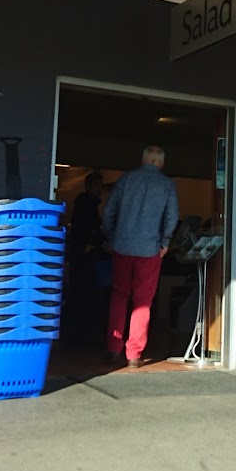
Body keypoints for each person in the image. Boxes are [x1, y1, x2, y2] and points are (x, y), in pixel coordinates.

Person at [102, 145, 179, 368]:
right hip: (150, 250)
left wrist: (110, 237)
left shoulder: (126, 179)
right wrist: (165, 242)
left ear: (143, 160)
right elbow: (172, 217)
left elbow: (109, 212)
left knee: (119, 296)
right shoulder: (167, 184)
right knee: (143, 302)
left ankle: (114, 348)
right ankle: (134, 354)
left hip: (122, 247)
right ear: (161, 163)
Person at [64, 172, 108, 350]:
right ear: (89, 186)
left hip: (80, 257)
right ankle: (79, 336)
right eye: (97, 185)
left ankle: (76, 336)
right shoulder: (86, 205)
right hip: (85, 258)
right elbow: (87, 232)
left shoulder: (84, 204)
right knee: (83, 296)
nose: (99, 190)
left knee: (79, 296)